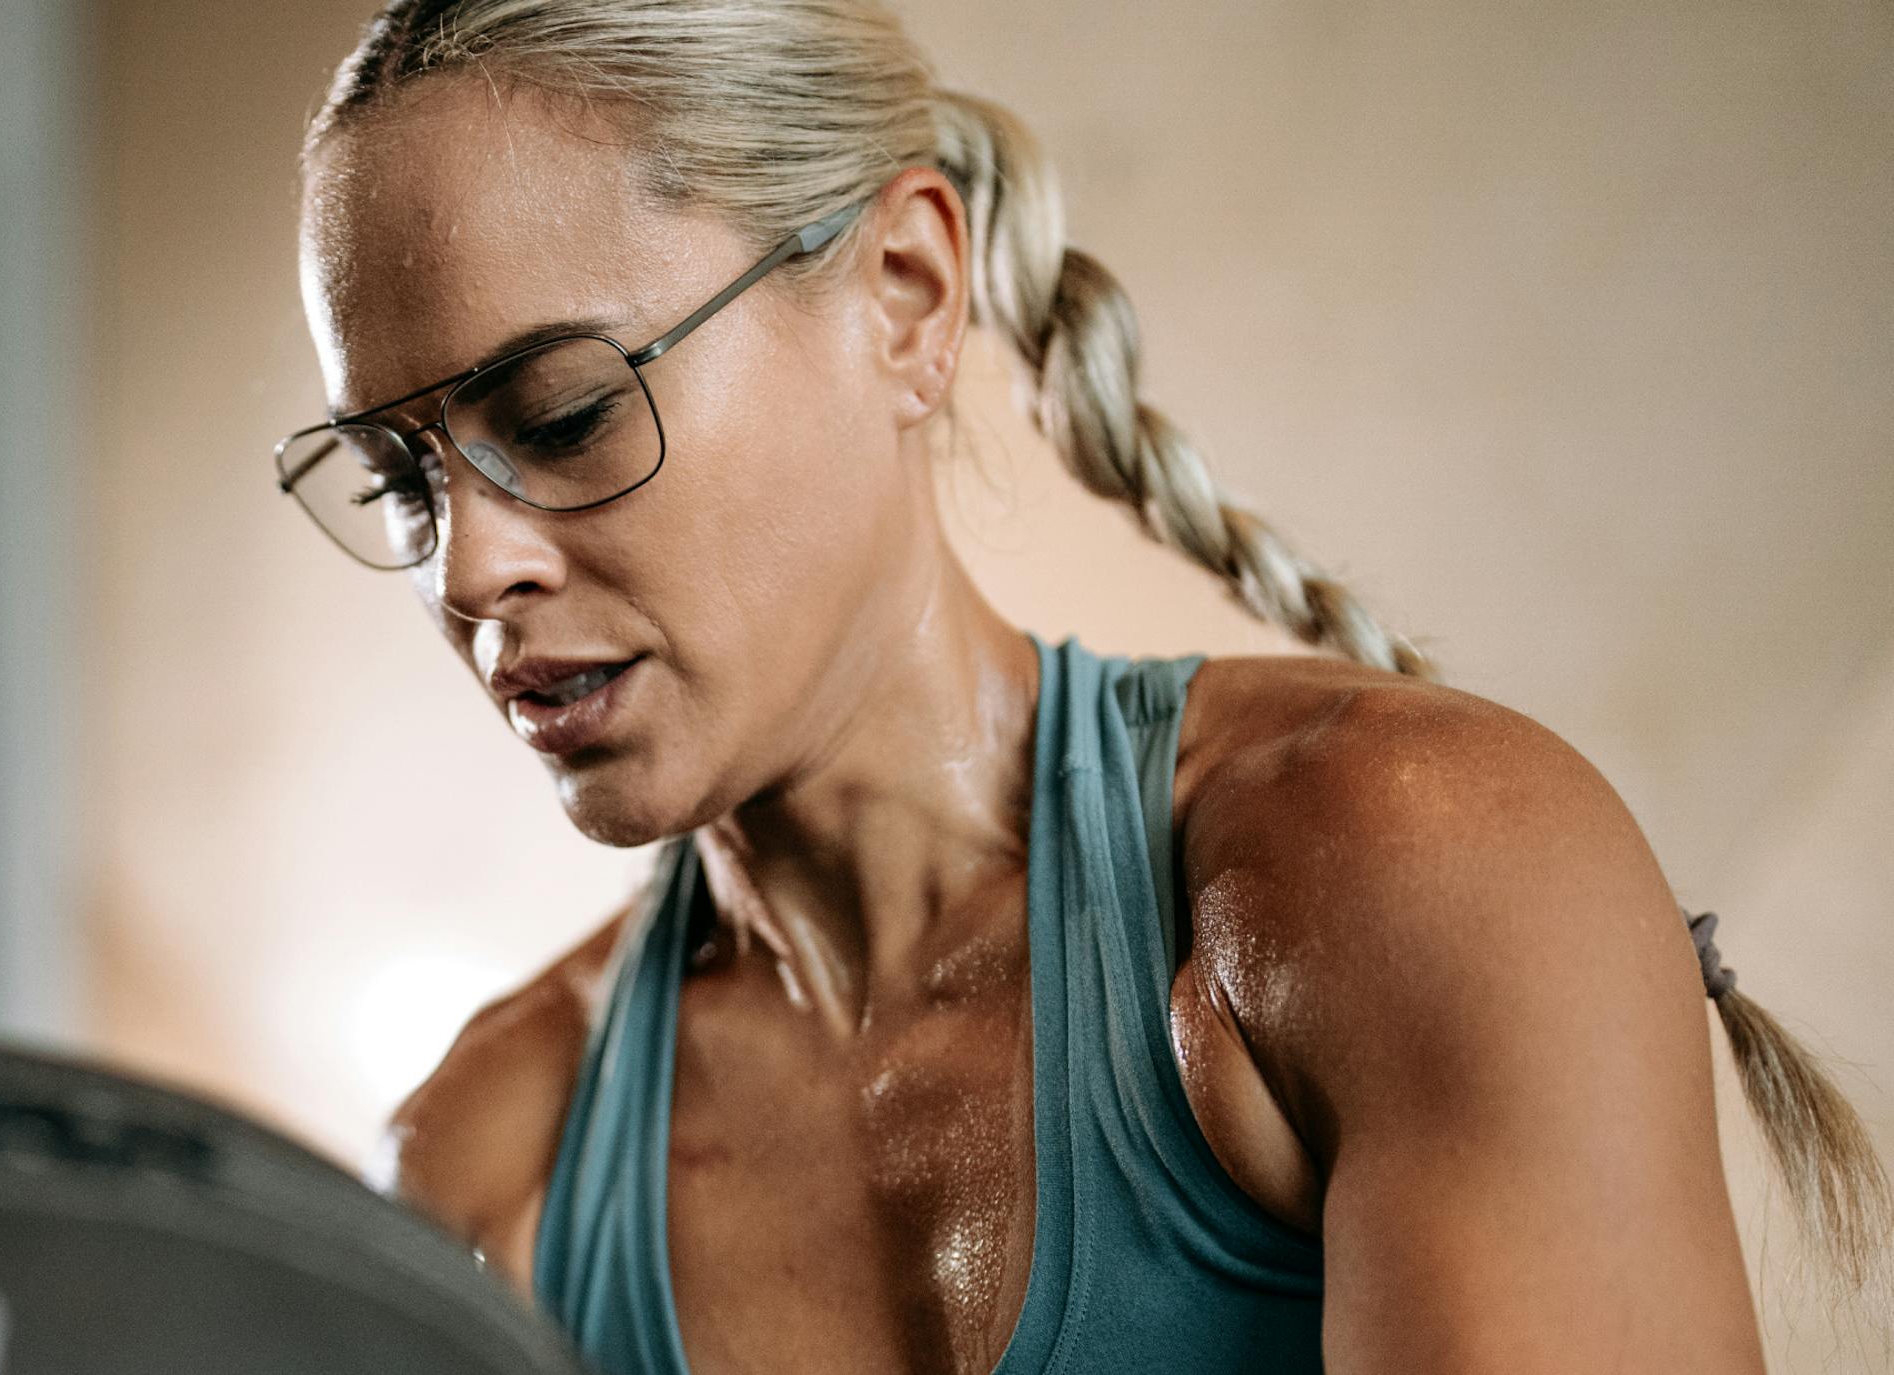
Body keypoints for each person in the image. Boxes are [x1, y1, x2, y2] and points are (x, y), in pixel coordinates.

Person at [265, 2, 1891, 1371]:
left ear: (905, 295)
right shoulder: (487, 1170)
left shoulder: (1406, 868)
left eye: (557, 417)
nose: (469, 572)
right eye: (402, 480)